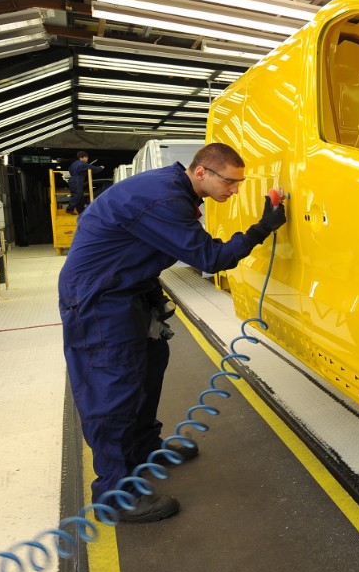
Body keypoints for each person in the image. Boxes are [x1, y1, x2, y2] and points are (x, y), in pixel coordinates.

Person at [58, 142, 286, 524]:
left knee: (149, 366)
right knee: (112, 390)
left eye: (239, 182)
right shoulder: (162, 200)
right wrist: (262, 228)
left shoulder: (173, 189)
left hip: (127, 289)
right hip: (99, 300)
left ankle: (145, 448)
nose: (234, 190)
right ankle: (115, 494)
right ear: (202, 173)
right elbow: (211, 258)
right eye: (230, 182)